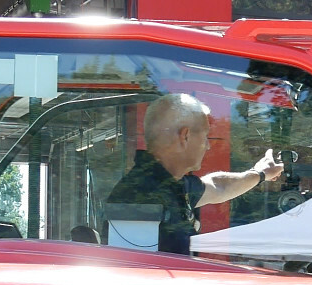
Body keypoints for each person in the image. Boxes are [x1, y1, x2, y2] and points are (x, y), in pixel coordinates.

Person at [103, 93, 284, 254]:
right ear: (185, 136)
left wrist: (260, 174)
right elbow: (135, 271)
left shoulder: (171, 184)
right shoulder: (138, 197)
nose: (208, 146)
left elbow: (218, 186)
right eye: (205, 136)